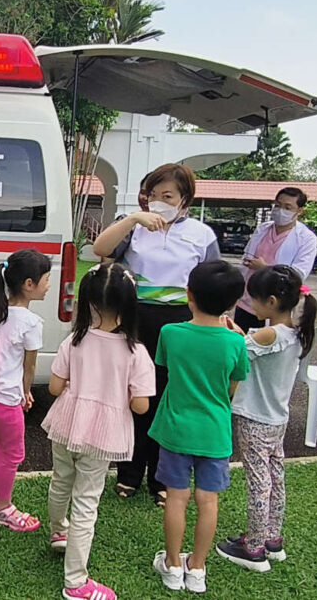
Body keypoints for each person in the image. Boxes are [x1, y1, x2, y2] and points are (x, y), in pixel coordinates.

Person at [92, 163, 220, 508]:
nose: (159, 202)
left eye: (168, 196)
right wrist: (134, 219)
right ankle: (128, 472)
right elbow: (100, 249)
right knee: (135, 395)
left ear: (185, 199)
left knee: (168, 399)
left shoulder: (201, 234)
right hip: (136, 318)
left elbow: (213, 282)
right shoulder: (135, 228)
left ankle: (162, 478)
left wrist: (220, 320)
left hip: (180, 324)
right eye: (153, 194)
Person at [43, 263, 155, 600]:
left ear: (89, 301)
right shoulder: (136, 352)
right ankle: (75, 582)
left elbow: (54, 387)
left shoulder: (74, 340)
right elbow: (141, 406)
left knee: (61, 481)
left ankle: (58, 531)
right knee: (86, 503)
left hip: (66, 424)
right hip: (102, 435)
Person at [150, 261, 249, 594]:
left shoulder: (170, 333)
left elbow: (166, 367)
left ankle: (172, 565)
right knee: (208, 501)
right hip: (215, 432)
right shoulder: (236, 343)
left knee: (176, 498)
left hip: (175, 429)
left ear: (188, 295)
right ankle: (197, 569)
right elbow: (232, 387)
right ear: (233, 303)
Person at [216, 265, 317, 572]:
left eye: (254, 299)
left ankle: (254, 548)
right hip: (277, 419)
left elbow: (236, 352)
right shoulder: (295, 333)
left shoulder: (269, 334)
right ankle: (272, 539)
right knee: (275, 477)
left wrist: (223, 331)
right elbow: (249, 344)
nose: (250, 304)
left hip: (254, 419)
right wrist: (237, 333)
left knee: (258, 482)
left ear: (271, 302)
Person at [0, 249, 51, 532]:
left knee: (1, 445)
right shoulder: (30, 323)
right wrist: (26, 392)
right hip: (6, 400)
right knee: (14, 454)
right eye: (46, 279)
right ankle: (3, 507)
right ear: (29, 284)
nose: (49, 285)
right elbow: (29, 367)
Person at [234, 187, 317, 332]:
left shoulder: (306, 238)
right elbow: (247, 255)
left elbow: (298, 274)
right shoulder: (263, 229)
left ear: (300, 210)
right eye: (278, 205)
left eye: (287, 207)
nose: (280, 211)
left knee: (269, 340)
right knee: (242, 340)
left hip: (275, 305)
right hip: (248, 301)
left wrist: (265, 268)